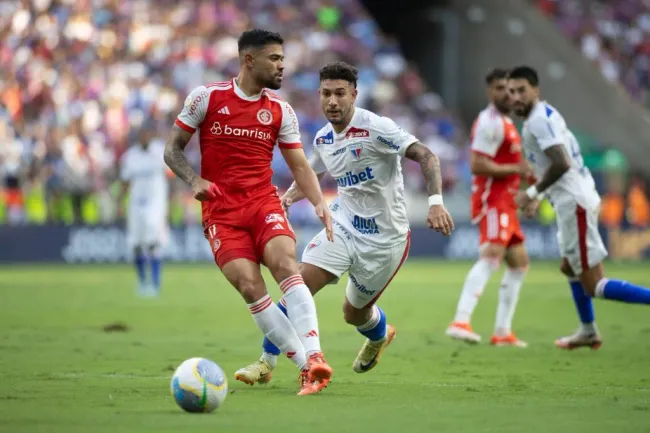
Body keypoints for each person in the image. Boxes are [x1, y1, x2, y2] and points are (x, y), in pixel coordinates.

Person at [233, 61, 454, 386]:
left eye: (339, 93)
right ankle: (267, 361)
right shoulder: (324, 138)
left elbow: (427, 156)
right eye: (326, 94)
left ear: (354, 94)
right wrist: (288, 199)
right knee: (298, 284)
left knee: (354, 314)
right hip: (342, 227)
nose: (332, 101)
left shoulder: (378, 127)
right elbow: (310, 173)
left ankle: (379, 334)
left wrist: (436, 203)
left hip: (385, 241)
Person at [163, 29, 333, 395]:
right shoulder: (206, 98)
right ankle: (307, 368)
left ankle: (316, 355)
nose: (282, 66)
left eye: (283, 59)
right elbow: (172, 150)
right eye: (275, 58)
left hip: (262, 203)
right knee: (249, 285)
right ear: (249, 60)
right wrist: (193, 180)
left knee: (286, 265)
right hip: (221, 212)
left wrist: (319, 203)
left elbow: (300, 165)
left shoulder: (279, 110)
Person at [508, 65, 650, 350]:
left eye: (522, 90)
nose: (516, 97)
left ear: (536, 89)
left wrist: (532, 192)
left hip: (574, 203)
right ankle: (587, 331)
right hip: (574, 199)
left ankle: (591, 328)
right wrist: (539, 195)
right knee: (569, 268)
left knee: (594, 284)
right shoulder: (544, 114)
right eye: (512, 92)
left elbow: (562, 162)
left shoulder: (537, 121)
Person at [446, 68, 532, 347]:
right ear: (489, 91)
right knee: (491, 256)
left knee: (518, 263)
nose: (505, 94)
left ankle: (503, 331)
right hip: (492, 200)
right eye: (498, 88)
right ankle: (460, 320)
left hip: (507, 200)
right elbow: (477, 164)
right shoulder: (488, 122)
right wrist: (515, 169)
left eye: (509, 89)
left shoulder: (506, 121)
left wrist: (523, 188)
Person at [118, 127, 169, 297]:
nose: (145, 138)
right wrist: (119, 201)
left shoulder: (160, 151)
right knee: (137, 245)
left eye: (147, 134)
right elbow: (125, 181)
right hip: (136, 204)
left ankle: (155, 284)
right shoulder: (130, 157)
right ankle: (142, 282)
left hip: (156, 204)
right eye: (142, 135)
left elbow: (172, 171)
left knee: (153, 242)